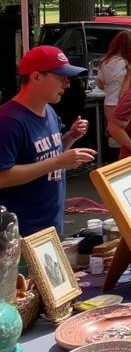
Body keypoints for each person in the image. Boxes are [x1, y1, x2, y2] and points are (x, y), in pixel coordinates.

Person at [0, 46, 94, 237]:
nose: (67, 85)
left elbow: (47, 154)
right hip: (21, 234)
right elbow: (2, 177)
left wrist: (70, 137)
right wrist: (59, 162)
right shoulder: (8, 121)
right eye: (61, 78)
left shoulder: (48, 109)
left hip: (50, 226)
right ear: (35, 77)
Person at [96, 29, 131, 151]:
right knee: (129, 139)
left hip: (109, 103)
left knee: (115, 138)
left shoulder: (105, 62)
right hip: (126, 103)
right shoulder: (130, 64)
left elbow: (100, 84)